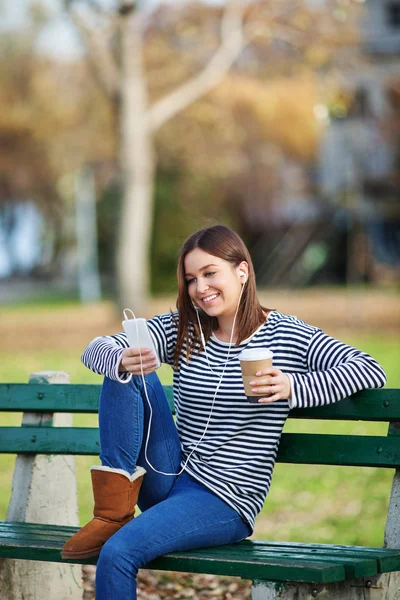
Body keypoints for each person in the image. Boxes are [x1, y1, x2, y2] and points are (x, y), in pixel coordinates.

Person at [61, 224, 386, 599]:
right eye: (191, 278)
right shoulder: (186, 328)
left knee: (118, 552)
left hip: (225, 498)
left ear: (242, 272)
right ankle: (112, 512)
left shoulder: (287, 336)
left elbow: (368, 368)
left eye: (210, 273)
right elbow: (96, 348)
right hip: (168, 474)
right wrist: (120, 357)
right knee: (127, 367)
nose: (201, 288)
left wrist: (293, 386)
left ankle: (115, 525)